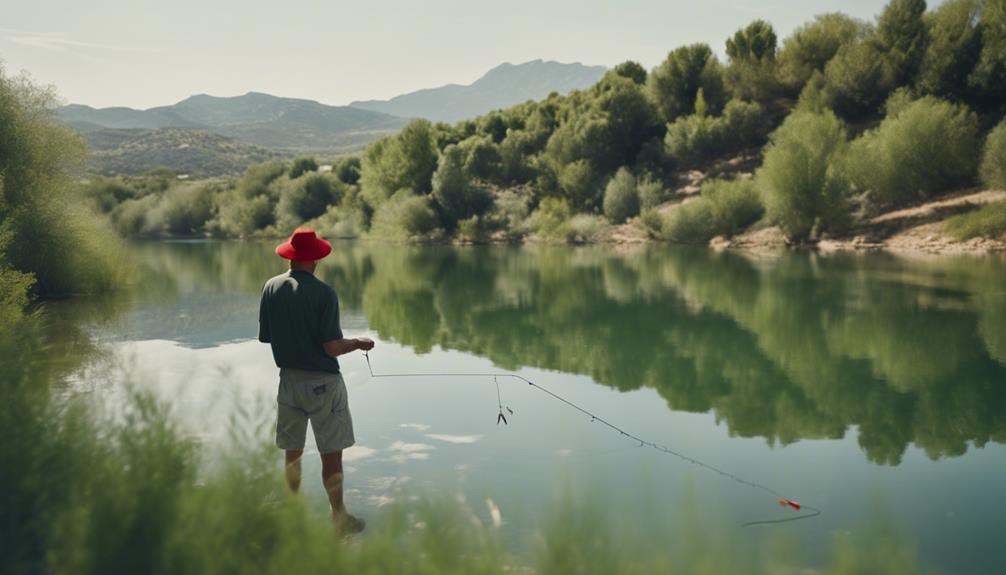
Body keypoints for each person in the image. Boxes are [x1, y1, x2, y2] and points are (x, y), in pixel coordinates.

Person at [258, 228, 374, 534]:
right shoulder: (324, 293)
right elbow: (331, 347)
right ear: (316, 259)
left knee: (292, 453)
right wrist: (358, 342)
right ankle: (338, 518)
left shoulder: (270, 287)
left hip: (288, 383)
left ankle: (293, 514)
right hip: (323, 385)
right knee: (331, 455)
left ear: (291, 257)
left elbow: (266, 337)